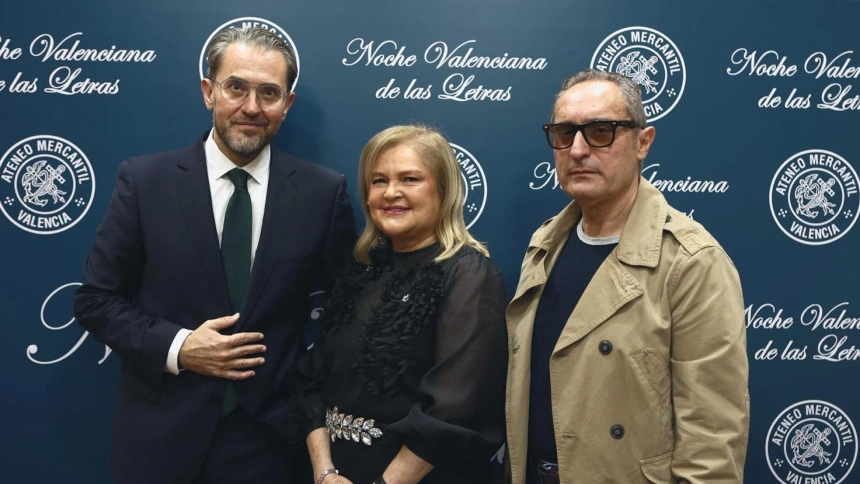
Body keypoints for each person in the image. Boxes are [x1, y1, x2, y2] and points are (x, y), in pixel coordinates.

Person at [72, 27, 356, 484]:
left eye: (269, 93)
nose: (251, 107)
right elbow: (95, 301)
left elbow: (348, 313)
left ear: (287, 104)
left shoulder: (322, 194)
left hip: (269, 444)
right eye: (236, 87)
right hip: (159, 438)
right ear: (209, 92)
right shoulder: (145, 182)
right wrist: (181, 347)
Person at [505, 69, 750, 484]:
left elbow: (712, 439)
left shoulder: (692, 262)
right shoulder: (544, 243)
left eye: (600, 132)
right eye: (564, 133)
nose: (577, 149)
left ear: (643, 142)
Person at [290, 124, 508, 484]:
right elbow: (311, 381)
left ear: (444, 191)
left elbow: (454, 409)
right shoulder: (360, 271)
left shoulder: (469, 274)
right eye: (379, 181)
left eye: (410, 179)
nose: (391, 193)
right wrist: (324, 472)